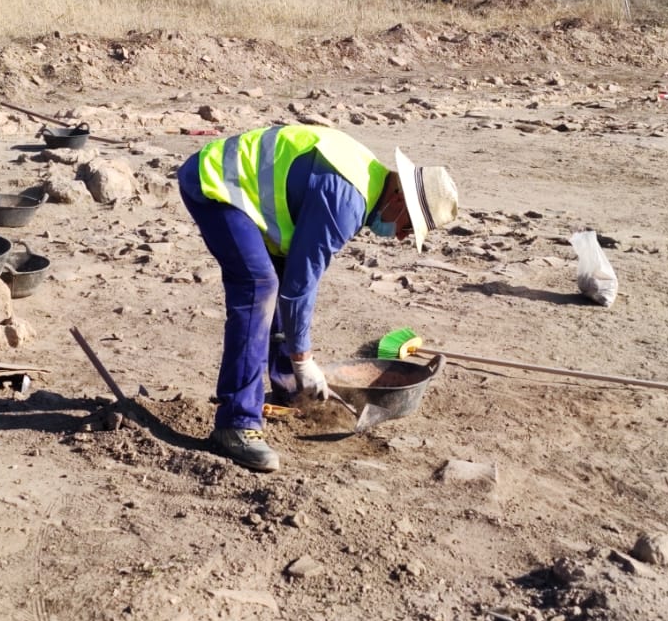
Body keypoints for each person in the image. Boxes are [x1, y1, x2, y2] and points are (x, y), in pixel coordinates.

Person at [178, 124, 459, 472]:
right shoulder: (347, 200)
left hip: (249, 196)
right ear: (399, 197)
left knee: (277, 276)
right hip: (216, 184)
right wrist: (304, 359)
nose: (401, 237)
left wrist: (297, 366)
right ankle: (236, 424)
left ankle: (287, 388)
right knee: (259, 287)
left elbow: (296, 269)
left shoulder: (366, 182)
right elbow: (300, 285)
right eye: (408, 226)